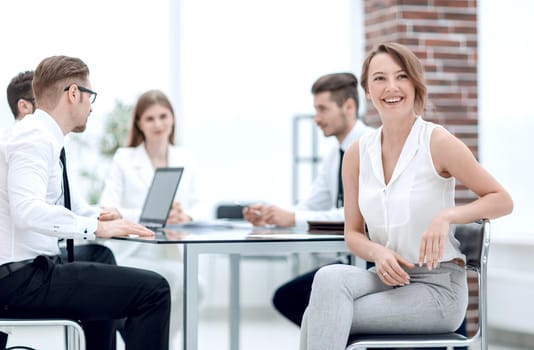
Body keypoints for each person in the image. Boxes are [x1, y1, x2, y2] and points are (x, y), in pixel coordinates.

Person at [299, 42, 513, 350]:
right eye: (380, 78)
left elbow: (502, 199)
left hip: (439, 289)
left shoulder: (436, 142)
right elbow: (353, 233)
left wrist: (447, 216)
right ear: (367, 92)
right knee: (329, 278)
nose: (391, 87)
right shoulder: (358, 153)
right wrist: (378, 253)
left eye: (401, 76)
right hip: (391, 275)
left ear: (414, 84)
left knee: (318, 315)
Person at [0, 55, 171, 350]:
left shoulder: (46, 139)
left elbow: (71, 208)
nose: (91, 107)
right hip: (22, 280)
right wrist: (96, 228)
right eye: (90, 96)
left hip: (30, 271)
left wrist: (110, 220)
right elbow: (26, 211)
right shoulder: (33, 140)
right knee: (155, 290)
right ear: (74, 93)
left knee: (99, 256)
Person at [242, 73, 374, 326]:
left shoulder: (371, 147)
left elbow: (357, 214)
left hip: (370, 260)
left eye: (322, 109)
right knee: (288, 297)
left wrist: (292, 217)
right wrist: (271, 215)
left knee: (293, 298)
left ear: (349, 107)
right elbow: (311, 205)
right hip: (349, 260)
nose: (316, 119)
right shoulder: (335, 155)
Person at [99, 89, 205, 348]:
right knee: (174, 279)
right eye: (150, 118)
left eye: (163, 116)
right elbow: (107, 206)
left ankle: (159, 342)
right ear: (138, 123)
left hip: (171, 250)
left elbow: (201, 203)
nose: (158, 124)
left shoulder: (185, 157)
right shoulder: (125, 158)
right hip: (133, 251)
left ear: (172, 119)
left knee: (197, 286)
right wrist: (150, 216)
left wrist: (185, 215)